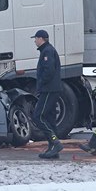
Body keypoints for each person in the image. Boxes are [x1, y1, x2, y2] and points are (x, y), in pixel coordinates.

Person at [30, 29, 64, 159]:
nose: (35, 41)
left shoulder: (47, 51)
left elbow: (48, 71)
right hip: (51, 89)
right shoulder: (47, 50)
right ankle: (53, 148)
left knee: (38, 116)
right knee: (50, 118)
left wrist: (41, 83)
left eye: (36, 38)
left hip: (49, 89)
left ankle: (55, 142)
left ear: (41, 39)